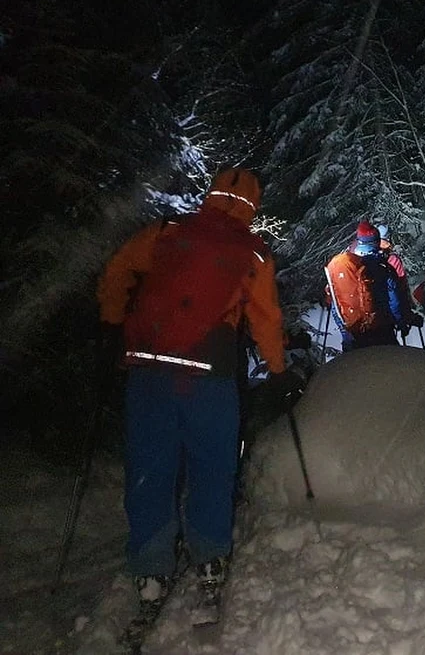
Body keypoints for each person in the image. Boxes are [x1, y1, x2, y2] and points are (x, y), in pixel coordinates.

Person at [96, 167, 288, 625]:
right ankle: (209, 559)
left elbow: (118, 267)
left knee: (150, 466)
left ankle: (151, 569)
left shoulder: (166, 231)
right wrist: (278, 369)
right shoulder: (253, 253)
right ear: (252, 204)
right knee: (212, 467)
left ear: (212, 193)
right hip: (209, 375)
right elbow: (265, 318)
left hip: (149, 369)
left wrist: (111, 319)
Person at [324, 222, 411, 351]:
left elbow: (335, 304)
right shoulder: (382, 267)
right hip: (382, 331)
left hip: (354, 335)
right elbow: (394, 301)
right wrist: (401, 323)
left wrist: (346, 332)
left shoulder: (344, 267)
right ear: (376, 242)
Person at [376, 224, 423, 337]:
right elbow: (401, 290)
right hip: (391, 312)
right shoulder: (393, 259)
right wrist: (407, 317)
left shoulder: (363, 257)